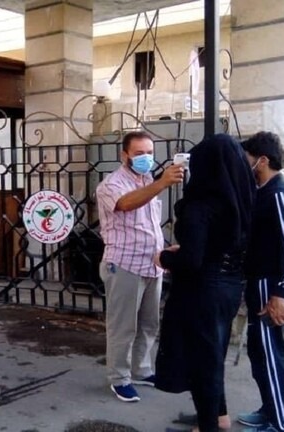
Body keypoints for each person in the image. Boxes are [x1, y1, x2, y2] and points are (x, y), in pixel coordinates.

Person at [153, 134, 255, 432]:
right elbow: (221, 245)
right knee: (214, 355)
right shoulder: (244, 199)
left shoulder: (200, 206)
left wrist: (164, 258)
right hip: (230, 286)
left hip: (202, 291)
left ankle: (208, 425)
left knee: (202, 361)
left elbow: (191, 261)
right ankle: (218, 415)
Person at [96, 130, 185, 402]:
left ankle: (141, 369)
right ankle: (119, 378)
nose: (146, 158)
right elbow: (125, 204)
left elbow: (148, 223)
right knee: (123, 326)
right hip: (124, 264)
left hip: (152, 263)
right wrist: (162, 183)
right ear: (124, 155)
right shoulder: (111, 184)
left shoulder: (146, 180)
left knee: (149, 323)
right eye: (139, 153)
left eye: (149, 153)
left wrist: (165, 247)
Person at [237, 131, 284, 432]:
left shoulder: (280, 194)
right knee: (259, 354)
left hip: (271, 287)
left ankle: (282, 424)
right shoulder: (263, 192)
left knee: (270, 356)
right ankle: (269, 410)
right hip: (259, 284)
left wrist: (280, 293)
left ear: (262, 161)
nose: (245, 165)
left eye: (248, 159)